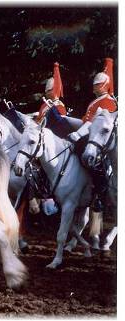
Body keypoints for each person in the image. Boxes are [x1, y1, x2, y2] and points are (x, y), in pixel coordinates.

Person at [66, 58, 117, 212]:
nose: (95, 87)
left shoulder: (108, 102)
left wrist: (78, 134)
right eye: (94, 85)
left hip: (98, 141)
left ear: (106, 85)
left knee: (94, 164)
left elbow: (92, 124)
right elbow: (84, 121)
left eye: (98, 84)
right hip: (88, 135)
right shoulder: (95, 102)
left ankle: (97, 195)